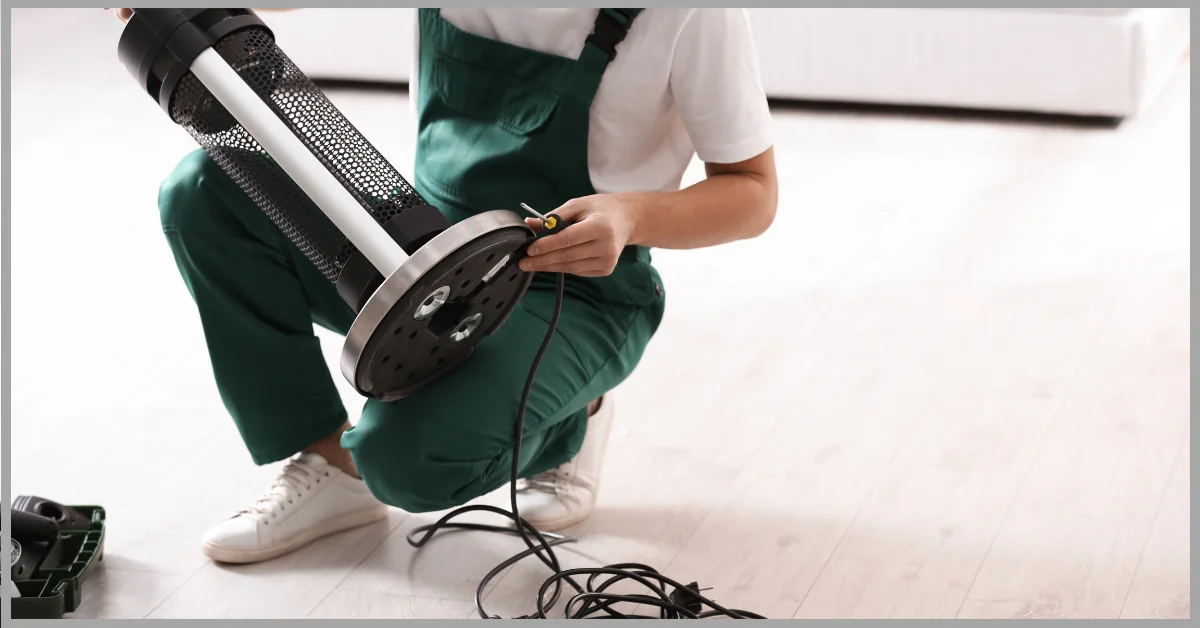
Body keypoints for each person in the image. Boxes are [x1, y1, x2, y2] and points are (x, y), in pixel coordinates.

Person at [110, 7, 777, 564]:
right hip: (411, 244)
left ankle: (572, 418)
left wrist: (632, 214)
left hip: (574, 286)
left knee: (404, 461)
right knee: (202, 193)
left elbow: (753, 192)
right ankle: (328, 467)